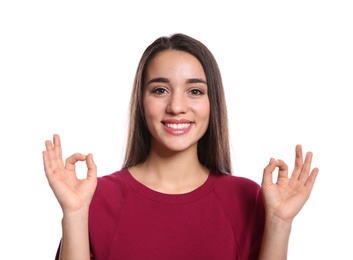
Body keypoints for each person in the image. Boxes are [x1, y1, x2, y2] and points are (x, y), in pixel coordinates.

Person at [43, 33, 319, 260]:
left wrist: (279, 223)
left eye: (195, 91)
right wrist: (76, 214)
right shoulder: (96, 197)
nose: (176, 106)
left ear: (213, 104)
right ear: (141, 102)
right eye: (160, 90)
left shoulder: (247, 197)